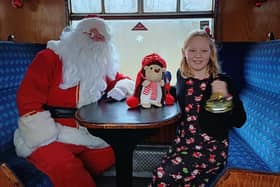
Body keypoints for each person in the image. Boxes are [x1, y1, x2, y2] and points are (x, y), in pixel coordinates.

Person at [13, 17, 135, 187]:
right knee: (67, 167)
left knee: (115, 151)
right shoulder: (49, 58)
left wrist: (120, 89)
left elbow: (123, 80)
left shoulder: (98, 64)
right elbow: (27, 101)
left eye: (101, 38)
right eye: (91, 35)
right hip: (51, 133)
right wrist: (44, 137)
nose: (95, 40)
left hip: (85, 133)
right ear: (77, 35)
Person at [150, 30, 246, 186]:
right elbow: (181, 95)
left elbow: (239, 120)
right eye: (192, 50)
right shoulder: (182, 75)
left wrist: (221, 99)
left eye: (204, 50)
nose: (198, 55)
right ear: (184, 52)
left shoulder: (222, 81)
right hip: (182, 143)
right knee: (161, 173)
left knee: (163, 176)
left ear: (211, 53)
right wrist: (157, 93)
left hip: (211, 149)